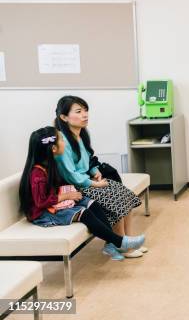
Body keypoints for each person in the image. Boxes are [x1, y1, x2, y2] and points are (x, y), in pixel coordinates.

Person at [18, 126, 145, 261]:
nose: (64, 142)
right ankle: (120, 242)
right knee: (84, 213)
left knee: (92, 204)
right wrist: (67, 196)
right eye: (61, 140)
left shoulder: (51, 165)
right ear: (53, 149)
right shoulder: (37, 174)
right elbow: (41, 202)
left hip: (55, 203)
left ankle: (111, 244)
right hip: (44, 214)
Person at [54, 95, 146, 258]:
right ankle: (122, 245)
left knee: (124, 194)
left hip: (87, 181)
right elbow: (70, 174)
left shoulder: (80, 135)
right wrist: (93, 184)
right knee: (116, 199)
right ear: (64, 117)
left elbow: (88, 161)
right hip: (78, 187)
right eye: (79, 111)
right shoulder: (63, 141)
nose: (85, 115)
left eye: (86, 110)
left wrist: (95, 171)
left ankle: (128, 240)